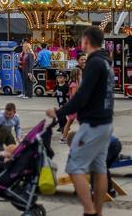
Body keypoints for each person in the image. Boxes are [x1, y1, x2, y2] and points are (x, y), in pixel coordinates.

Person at [46, 26, 114, 216]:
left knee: (74, 167)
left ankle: (89, 211)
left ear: (85, 41)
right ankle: (98, 211)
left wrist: (59, 112)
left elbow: (81, 96)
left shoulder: (94, 63)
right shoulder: (107, 62)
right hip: (106, 121)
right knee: (99, 167)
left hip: (93, 123)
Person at [62, 68, 82, 142]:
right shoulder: (74, 84)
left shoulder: (74, 83)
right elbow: (74, 95)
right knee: (80, 122)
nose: (81, 75)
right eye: (80, 74)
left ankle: (63, 138)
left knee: (71, 122)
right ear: (77, 75)